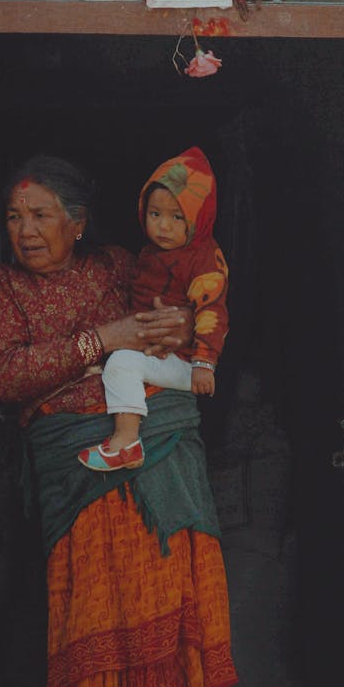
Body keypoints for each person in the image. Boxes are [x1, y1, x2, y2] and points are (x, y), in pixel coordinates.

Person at [0, 153, 237, 687]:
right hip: (77, 470)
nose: (24, 230)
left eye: (40, 215)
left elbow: (185, 313)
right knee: (101, 624)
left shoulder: (123, 266)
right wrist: (102, 341)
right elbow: (2, 373)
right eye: (13, 217)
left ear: (78, 223)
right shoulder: (1, 290)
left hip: (159, 450)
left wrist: (171, 328)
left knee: (164, 621)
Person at [78, 147, 228, 472]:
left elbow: (213, 312)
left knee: (121, 364)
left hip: (188, 363)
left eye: (178, 217)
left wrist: (205, 362)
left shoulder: (203, 259)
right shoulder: (149, 253)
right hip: (162, 354)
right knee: (117, 361)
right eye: (155, 214)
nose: (163, 226)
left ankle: (126, 443)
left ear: (199, 219)